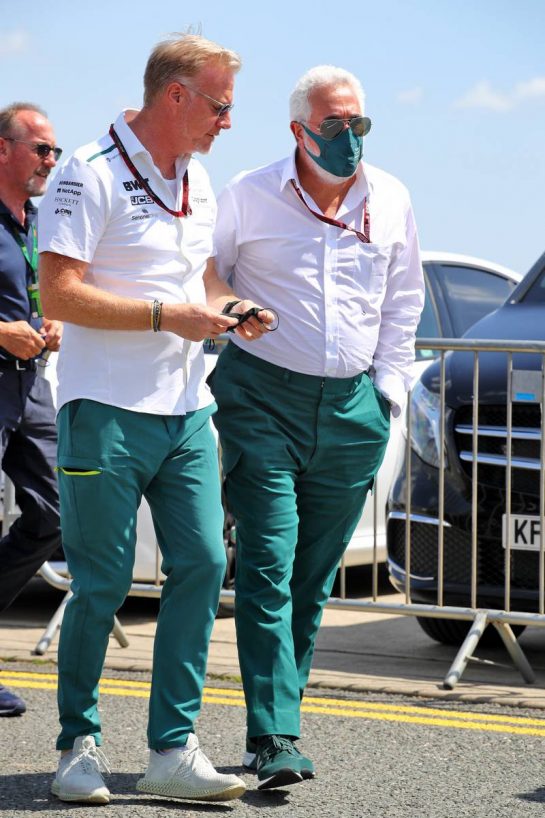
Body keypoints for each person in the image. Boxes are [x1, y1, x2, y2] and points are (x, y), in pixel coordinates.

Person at [38, 34, 271, 805]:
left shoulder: (197, 179)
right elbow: (59, 294)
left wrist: (231, 307)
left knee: (202, 565)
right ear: (177, 96)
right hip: (104, 409)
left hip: (186, 411)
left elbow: (201, 278)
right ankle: (77, 745)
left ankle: (172, 749)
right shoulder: (87, 169)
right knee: (102, 582)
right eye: (221, 106)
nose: (228, 121)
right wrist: (166, 316)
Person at [208, 65, 425, 790]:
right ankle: (274, 735)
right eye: (334, 125)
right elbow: (207, 273)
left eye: (358, 123)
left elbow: (403, 301)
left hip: (351, 410)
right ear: (299, 130)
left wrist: (386, 396)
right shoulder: (248, 193)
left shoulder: (391, 197)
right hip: (260, 399)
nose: (349, 137)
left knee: (311, 578)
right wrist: (234, 308)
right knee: (268, 562)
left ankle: (277, 721)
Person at [0, 102, 63, 718]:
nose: (50, 160)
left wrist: (56, 321)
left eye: (54, 151)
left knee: (55, 513)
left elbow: (50, 292)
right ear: (2, 148)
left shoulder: (40, 221)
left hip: (30, 387)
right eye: (41, 148)